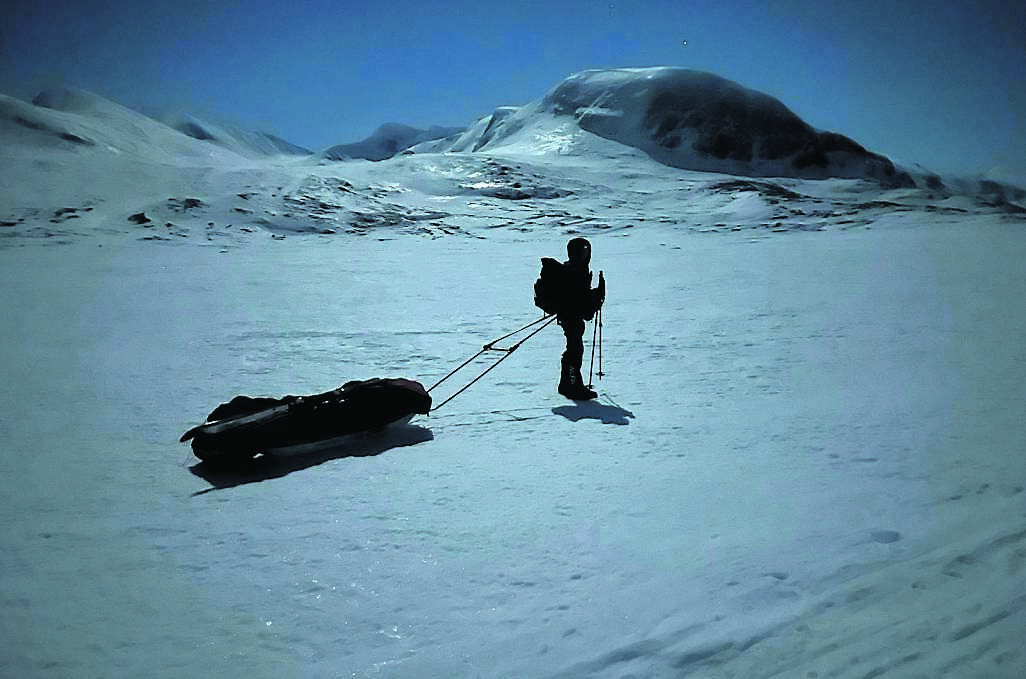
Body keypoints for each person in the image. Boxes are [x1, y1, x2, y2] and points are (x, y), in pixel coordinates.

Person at [534, 237, 605, 400]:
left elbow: (581, 299)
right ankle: (572, 386)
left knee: (574, 350)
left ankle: (567, 384)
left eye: (587, 251)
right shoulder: (575, 270)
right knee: (574, 351)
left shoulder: (578, 269)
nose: (586, 254)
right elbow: (579, 300)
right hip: (570, 317)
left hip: (571, 316)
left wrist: (596, 293)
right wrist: (597, 295)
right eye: (583, 251)